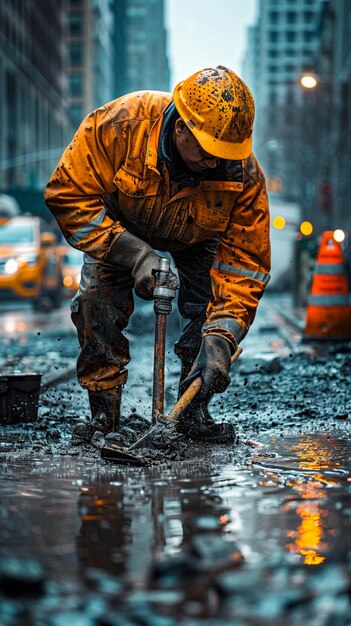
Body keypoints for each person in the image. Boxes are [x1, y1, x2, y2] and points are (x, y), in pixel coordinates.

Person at [44, 65, 271, 444]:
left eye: (224, 155)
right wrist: (133, 254)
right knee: (96, 306)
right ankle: (104, 415)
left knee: (206, 312)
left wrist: (223, 337)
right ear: (181, 128)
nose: (215, 163)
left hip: (198, 238)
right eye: (208, 152)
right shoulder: (120, 126)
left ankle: (192, 411)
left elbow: (245, 268)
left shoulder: (242, 175)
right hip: (119, 229)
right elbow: (66, 196)